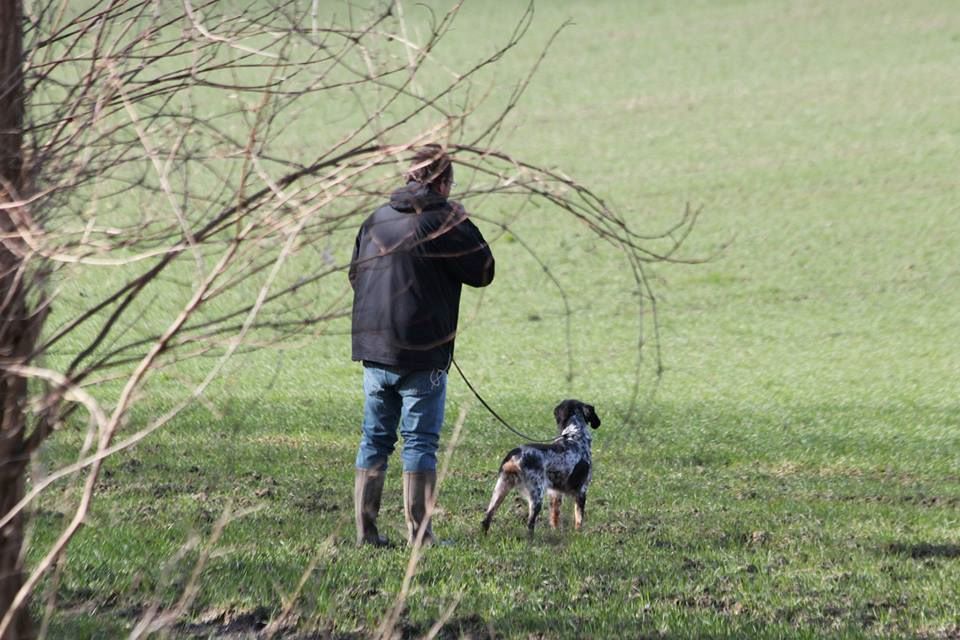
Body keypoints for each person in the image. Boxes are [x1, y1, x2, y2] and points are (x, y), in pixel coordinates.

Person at [348, 145, 495, 547]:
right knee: (420, 441)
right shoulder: (444, 221)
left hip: (374, 348)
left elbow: (354, 276)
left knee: (375, 438)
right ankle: (420, 536)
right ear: (442, 182)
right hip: (423, 351)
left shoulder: (375, 219)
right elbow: (484, 271)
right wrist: (461, 219)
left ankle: (366, 534)